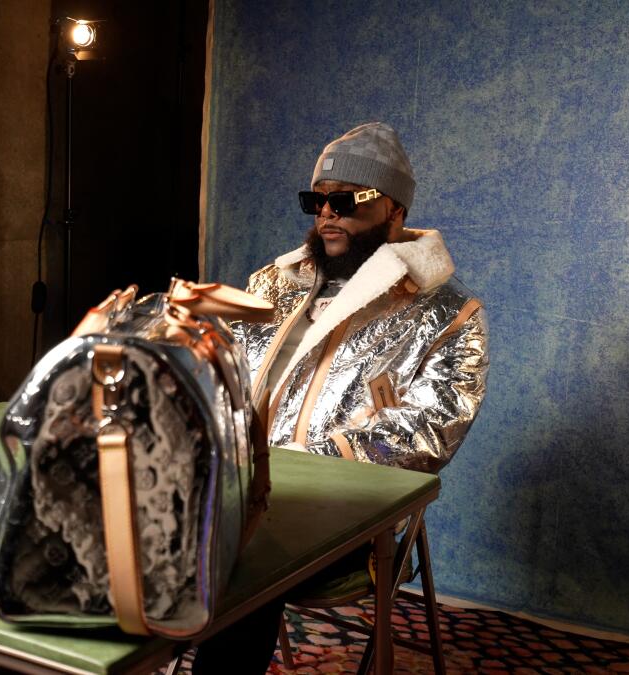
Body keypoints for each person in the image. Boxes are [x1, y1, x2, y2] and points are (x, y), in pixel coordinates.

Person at [192, 122, 490, 672]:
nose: (326, 215)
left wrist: (307, 469)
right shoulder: (273, 286)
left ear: (393, 210)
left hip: (342, 514)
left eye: (346, 202)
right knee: (116, 515)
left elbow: (431, 426)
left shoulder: (448, 314)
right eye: (317, 201)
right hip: (236, 487)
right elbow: (220, 373)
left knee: (241, 558)